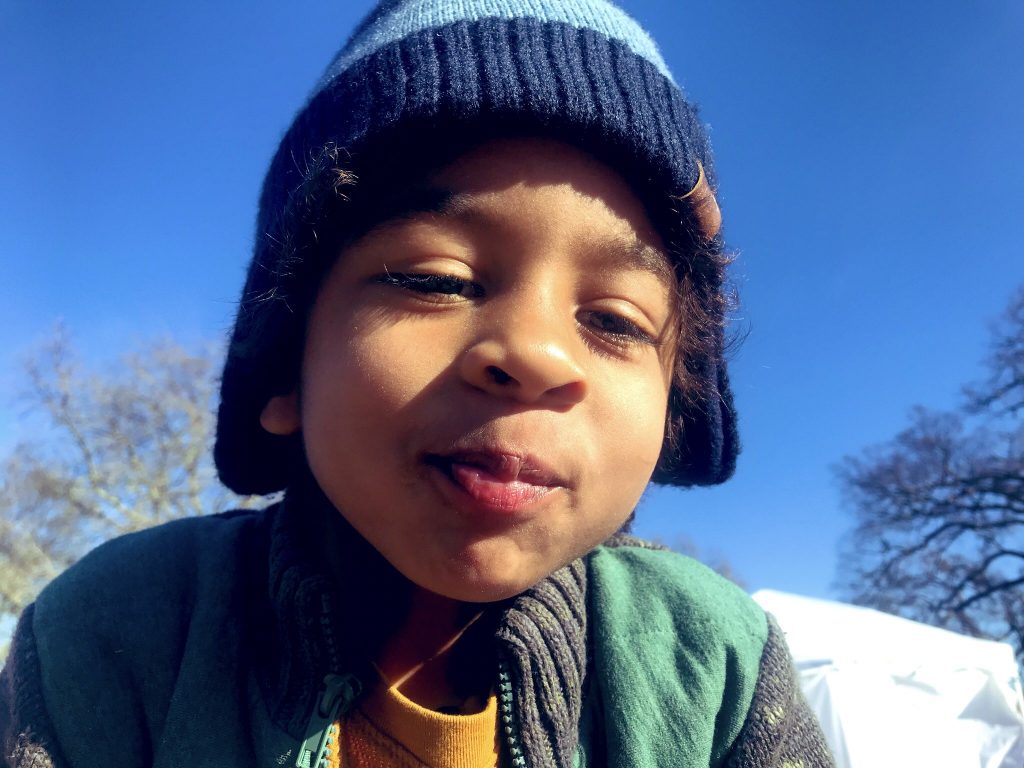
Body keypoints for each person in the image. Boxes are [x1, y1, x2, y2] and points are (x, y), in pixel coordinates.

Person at [1, 1, 834, 766]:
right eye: (437, 278)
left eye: (615, 320)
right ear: (287, 360)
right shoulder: (116, 634)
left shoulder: (715, 662)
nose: (539, 354)